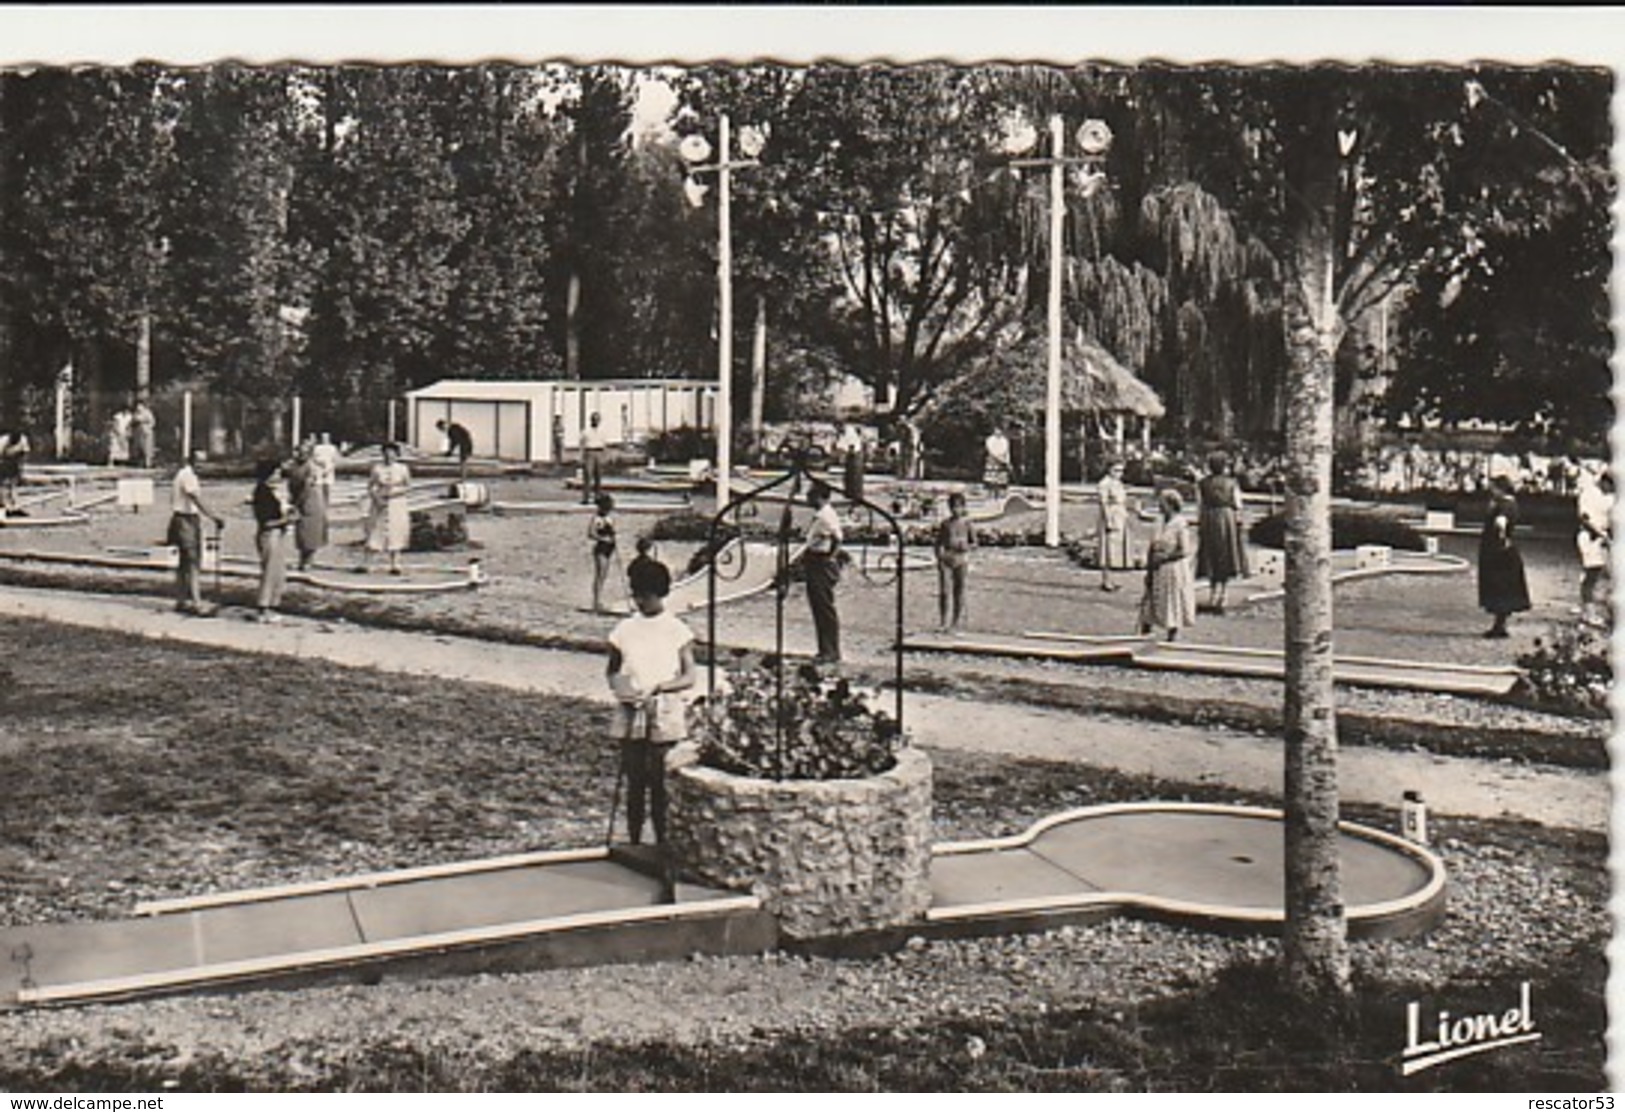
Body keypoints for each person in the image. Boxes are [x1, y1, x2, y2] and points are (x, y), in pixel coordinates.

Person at [606, 555, 696, 847]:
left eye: (646, 595)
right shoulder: (624, 630)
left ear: (661, 594)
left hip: (664, 712)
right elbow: (612, 671)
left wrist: (662, 687)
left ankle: (661, 845)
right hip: (632, 712)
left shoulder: (676, 630)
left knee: (660, 785)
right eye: (636, 595)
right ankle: (632, 841)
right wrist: (624, 690)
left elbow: (689, 676)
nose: (640, 601)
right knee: (635, 783)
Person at [167, 448, 226, 615]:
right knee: (192, 561)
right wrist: (214, 516)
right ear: (192, 460)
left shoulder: (189, 475)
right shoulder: (187, 476)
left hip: (188, 519)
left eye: (205, 462)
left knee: (185, 561)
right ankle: (196, 602)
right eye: (199, 462)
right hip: (185, 519)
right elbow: (196, 499)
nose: (203, 466)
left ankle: (181, 599)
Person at [1138, 489, 1197, 642]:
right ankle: (1144, 635)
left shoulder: (1180, 523)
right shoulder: (1158, 521)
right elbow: (1152, 545)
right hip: (1157, 566)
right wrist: (1149, 568)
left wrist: (1164, 559)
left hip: (1173, 567)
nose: (1159, 506)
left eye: (1162, 503)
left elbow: (1184, 550)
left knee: (1171, 601)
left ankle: (1172, 635)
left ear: (1171, 504)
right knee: (1149, 602)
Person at [1478, 473, 1531, 639]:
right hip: (1503, 549)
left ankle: (1499, 625)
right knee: (1504, 587)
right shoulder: (1511, 503)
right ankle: (1500, 624)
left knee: (1499, 586)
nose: (1491, 491)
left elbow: (1501, 523)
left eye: (1493, 487)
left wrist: (1501, 537)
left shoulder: (1504, 505)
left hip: (1497, 550)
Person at [1196, 451, 1250, 613]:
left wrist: (1201, 523)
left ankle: (1213, 593)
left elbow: (1200, 505)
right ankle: (1223, 593)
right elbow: (1238, 504)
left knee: (1210, 555)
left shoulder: (1202, 483)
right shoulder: (1232, 483)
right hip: (1227, 519)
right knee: (1226, 554)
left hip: (1209, 518)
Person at [801, 480, 845, 663]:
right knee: (819, 607)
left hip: (821, 562)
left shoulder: (825, 516)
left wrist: (830, 557)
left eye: (811, 495)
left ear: (820, 497)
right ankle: (825, 649)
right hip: (815, 560)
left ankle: (831, 651)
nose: (807, 498)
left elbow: (838, 537)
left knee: (824, 607)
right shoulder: (822, 514)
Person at [251, 457, 295, 623]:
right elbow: (266, 521)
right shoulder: (262, 493)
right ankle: (263, 607)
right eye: (276, 472)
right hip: (270, 534)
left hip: (277, 533)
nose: (279, 475)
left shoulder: (272, 491)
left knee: (278, 571)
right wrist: (286, 520)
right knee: (270, 571)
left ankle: (273, 604)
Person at [363, 442, 411, 576]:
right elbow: (371, 486)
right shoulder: (377, 468)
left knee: (396, 532)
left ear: (397, 455)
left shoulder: (402, 469)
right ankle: (367, 563)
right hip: (380, 503)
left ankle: (395, 564)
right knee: (375, 530)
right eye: (386, 453)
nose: (389, 457)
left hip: (397, 503)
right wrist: (376, 497)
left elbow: (408, 486)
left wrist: (396, 493)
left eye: (392, 454)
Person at [934, 491, 976, 633]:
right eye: (953, 507)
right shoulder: (946, 524)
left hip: (961, 559)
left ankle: (955, 622)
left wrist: (967, 546)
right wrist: (939, 558)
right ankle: (943, 621)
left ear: (964, 507)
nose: (956, 510)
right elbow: (938, 543)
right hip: (947, 558)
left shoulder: (967, 524)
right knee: (944, 591)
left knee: (959, 591)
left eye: (958, 506)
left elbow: (975, 543)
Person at [1577, 468, 1614, 627]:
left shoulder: (1611, 497)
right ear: (1604, 481)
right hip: (1589, 537)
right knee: (1592, 574)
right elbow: (1585, 518)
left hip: (1604, 538)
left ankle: (1594, 609)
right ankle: (1588, 612)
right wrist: (1601, 534)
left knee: (1602, 574)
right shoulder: (1588, 494)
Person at [285, 441, 329, 571]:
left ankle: (308, 560)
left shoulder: (311, 467)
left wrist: (297, 503)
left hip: (311, 501)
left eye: (302, 452)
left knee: (310, 531)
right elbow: (291, 482)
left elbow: (307, 487)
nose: (298, 454)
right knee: (301, 532)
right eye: (297, 451)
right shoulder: (294, 466)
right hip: (298, 498)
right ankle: (302, 559)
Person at [1096, 459, 1130, 592]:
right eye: (1116, 470)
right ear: (1109, 469)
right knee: (1108, 548)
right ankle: (1106, 580)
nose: (1119, 473)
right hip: (1110, 515)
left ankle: (1112, 579)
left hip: (1120, 515)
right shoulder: (1104, 484)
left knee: (1115, 548)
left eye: (1121, 471)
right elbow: (1103, 503)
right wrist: (1108, 520)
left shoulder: (1118, 483)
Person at [589, 493, 618, 613]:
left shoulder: (610, 518)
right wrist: (602, 538)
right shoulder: (596, 519)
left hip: (609, 548)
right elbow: (591, 534)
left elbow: (613, 531)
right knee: (599, 575)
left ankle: (599, 600)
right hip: (601, 548)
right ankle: (596, 601)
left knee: (604, 575)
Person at [0, 428, 30, 514]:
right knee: (4, 484)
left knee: (12, 484)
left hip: (14, 462)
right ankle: (4, 505)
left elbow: (24, 456)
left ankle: (12, 505)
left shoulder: (23, 440)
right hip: (3, 461)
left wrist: (21, 470)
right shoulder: (3, 441)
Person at [580, 412, 607, 505]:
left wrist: (604, 456)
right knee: (588, 475)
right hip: (589, 452)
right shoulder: (586, 431)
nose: (595, 421)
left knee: (598, 476)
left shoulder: (602, 431)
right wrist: (582, 456)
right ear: (591, 420)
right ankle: (586, 497)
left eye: (597, 419)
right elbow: (582, 443)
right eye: (594, 419)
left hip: (599, 452)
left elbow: (604, 444)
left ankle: (597, 497)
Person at [838, 422, 865, 504]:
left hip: (855, 455)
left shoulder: (850, 432)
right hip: (850, 455)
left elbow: (851, 446)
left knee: (855, 476)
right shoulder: (843, 433)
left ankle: (857, 497)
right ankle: (850, 494)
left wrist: (844, 455)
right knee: (848, 476)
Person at [983, 425, 1012, 499]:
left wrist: (1007, 461)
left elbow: (1006, 451)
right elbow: (990, 450)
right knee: (991, 479)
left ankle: (1001, 495)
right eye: (997, 430)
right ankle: (989, 494)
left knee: (1002, 479)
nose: (998, 432)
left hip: (1002, 461)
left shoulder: (1004, 440)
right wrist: (997, 458)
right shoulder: (990, 439)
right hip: (993, 460)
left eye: (1000, 430)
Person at [310, 432, 340, 501]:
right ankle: (320, 503)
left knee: (327, 488)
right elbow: (314, 458)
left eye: (326, 438)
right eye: (323, 438)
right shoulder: (317, 448)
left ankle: (326, 502)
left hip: (329, 470)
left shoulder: (332, 448)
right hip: (319, 469)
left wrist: (328, 469)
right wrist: (319, 463)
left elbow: (334, 460)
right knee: (319, 488)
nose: (325, 439)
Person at [131, 400, 156, 469]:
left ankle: (148, 463)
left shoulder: (147, 412)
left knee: (147, 448)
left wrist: (147, 427)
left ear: (143, 406)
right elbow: (133, 421)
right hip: (138, 432)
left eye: (140, 406)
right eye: (137, 406)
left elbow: (152, 422)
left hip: (146, 432)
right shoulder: (136, 413)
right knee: (139, 447)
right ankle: (140, 463)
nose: (138, 407)